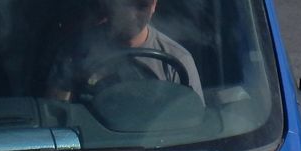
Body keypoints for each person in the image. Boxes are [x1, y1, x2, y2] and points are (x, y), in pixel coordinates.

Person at [47, 0, 203, 103]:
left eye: (142, 5)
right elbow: (56, 114)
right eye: (125, 3)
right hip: (92, 148)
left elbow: (192, 125)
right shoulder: (77, 51)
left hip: (157, 150)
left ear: (154, 5)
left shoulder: (178, 60)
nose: (131, 15)